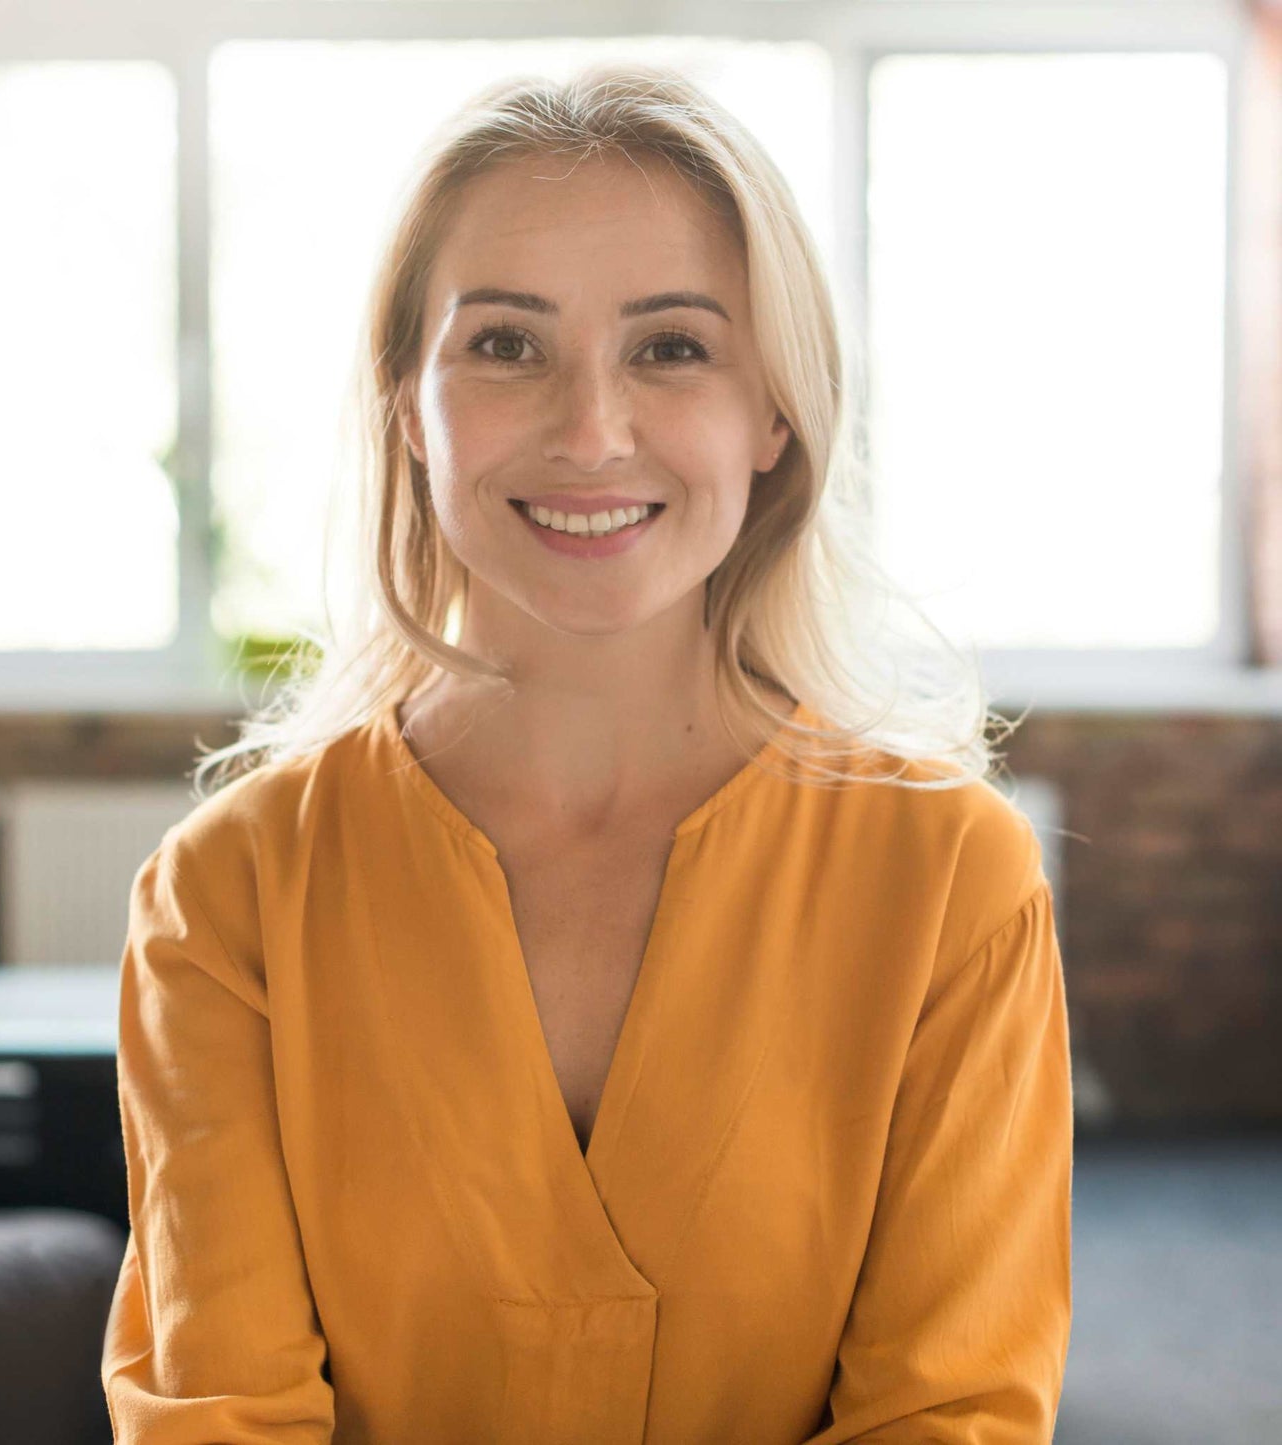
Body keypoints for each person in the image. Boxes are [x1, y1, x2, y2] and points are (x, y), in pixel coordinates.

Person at [101, 62, 1073, 1444]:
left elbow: (953, 1414)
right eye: (504, 344)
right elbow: (219, 1417)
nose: (588, 430)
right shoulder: (230, 895)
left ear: (773, 412)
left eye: (671, 347)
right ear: (405, 401)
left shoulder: (947, 876)